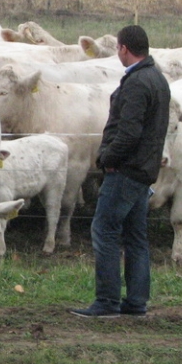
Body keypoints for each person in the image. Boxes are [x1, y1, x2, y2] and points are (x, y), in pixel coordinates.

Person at [70, 25, 170, 318]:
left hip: (126, 170)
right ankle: (136, 302)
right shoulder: (158, 79)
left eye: (118, 48)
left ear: (124, 48)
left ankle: (107, 301)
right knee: (136, 236)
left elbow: (129, 132)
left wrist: (107, 158)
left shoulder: (138, 82)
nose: (118, 53)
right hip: (144, 170)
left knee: (105, 230)